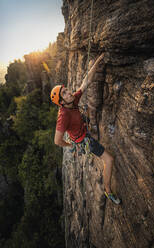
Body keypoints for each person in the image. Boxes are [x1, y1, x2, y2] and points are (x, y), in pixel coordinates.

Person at [50, 53, 121, 205]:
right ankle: (108, 191)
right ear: (61, 102)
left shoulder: (73, 99)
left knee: (87, 116)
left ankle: (89, 132)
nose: (69, 92)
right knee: (109, 160)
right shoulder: (63, 116)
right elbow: (57, 140)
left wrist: (98, 62)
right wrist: (71, 145)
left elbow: (86, 81)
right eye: (64, 93)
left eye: (66, 90)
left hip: (82, 128)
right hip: (83, 140)